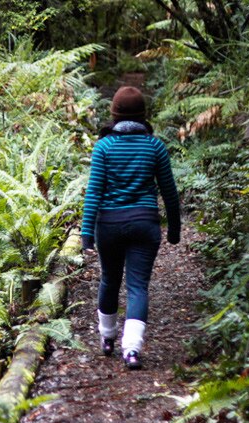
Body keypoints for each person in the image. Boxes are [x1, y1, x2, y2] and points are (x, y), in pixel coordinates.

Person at [80, 86, 180, 370]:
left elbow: (94, 192)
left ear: (113, 114)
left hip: (109, 225)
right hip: (145, 224)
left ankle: (108, 338)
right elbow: (169, 193)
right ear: (143, 115)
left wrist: (87, 233)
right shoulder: (155, 146)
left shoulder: (104, 147)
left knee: (110, 279)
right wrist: (174, 229)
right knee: (138, 286)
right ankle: (132, 351)